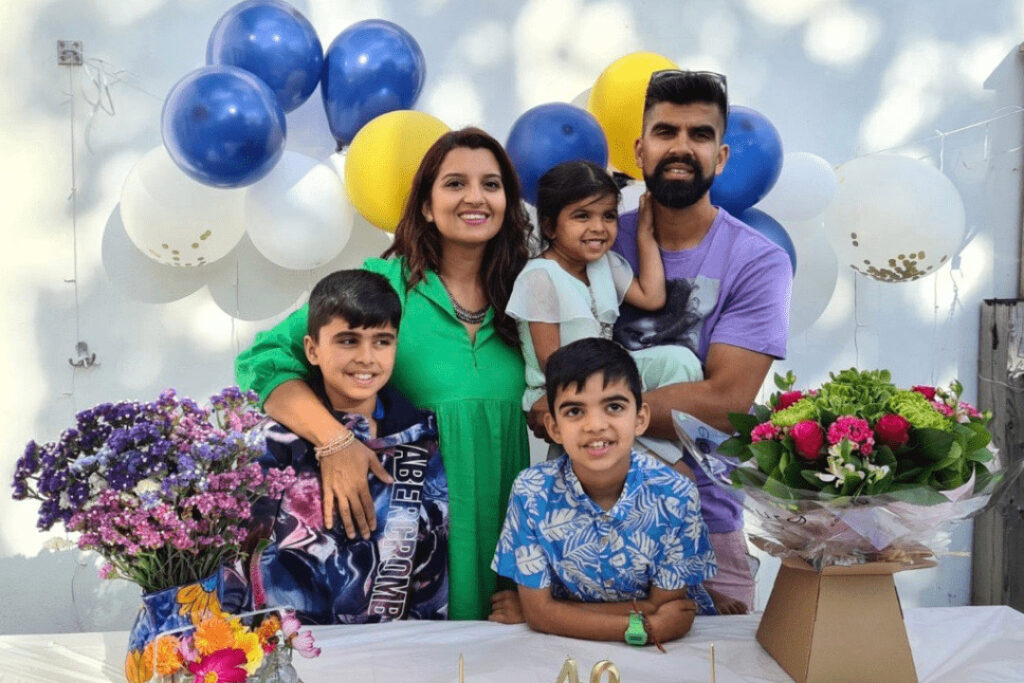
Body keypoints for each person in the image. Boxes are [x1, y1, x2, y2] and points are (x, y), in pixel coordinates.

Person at [235, 128, 532, 620]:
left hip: (507, 542)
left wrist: (539, 578)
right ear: (425, 206)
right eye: (455, 183)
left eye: (492, 184)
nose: (475, 197)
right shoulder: (385, 285)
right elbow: (264, 359)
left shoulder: (530, 294)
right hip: (408, 554)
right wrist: (334, 441)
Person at [612, 70, 792, 611]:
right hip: (580, 519)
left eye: (700, 134)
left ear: (722, 156)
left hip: (703, 527)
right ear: (641, 149)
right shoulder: (592, 238)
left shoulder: (757, 261)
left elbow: (725, 404)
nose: (681, 147)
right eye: (666, 132)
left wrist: (583, 416)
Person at [249, 270, 448, 624]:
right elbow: (244, 558)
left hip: (397, 652)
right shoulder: (275, 442)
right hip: (294, 651)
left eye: (382, 341)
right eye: (347, 341)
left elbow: (432, 556)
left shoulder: (420, 439)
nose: (366, 358)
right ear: (312, 349)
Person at [490, 338, 716, 645]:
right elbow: (540, 615)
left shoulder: (676, 495)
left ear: (640, 418)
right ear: (553, 428)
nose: (595, 425)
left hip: (672, 655)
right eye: (574, 411)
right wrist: (647, 628)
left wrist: (550, 612)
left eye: (614, 407)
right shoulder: (531, 492)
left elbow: (665, 606)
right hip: (574, 649)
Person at [506, 160, 702, 427]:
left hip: (609, 374)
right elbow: (550, 363)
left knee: (679, 360)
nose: (599, 227)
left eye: (608, 216)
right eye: (583, 216)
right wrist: (611, 390)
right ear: (550, 227)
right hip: (565, 386)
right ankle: (630, 434)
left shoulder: (603, 263)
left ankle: (666, 440)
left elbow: (652, 297)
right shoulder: (540, 276)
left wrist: (645, 234)